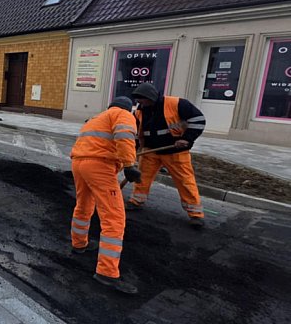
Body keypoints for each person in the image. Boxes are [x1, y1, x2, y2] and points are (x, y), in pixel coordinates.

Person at [70, 96, 141, 294]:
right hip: (99, 166)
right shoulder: (123, 114)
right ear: (128, 108)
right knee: (114, 217)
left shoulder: (96, 118)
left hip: (79, 163)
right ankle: (107, 272)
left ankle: (79, 244)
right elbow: (125, 136)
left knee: (83, 205)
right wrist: (129, 165)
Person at [126, 82, 207, 228]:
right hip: (150, 150)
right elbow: (136, 133)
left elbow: (198, 120)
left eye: (141, 99)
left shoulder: (177, 104)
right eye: (138, 99)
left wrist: (187, 139)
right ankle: (136, 201)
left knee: (185, 181)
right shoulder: (139, 111)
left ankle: (195, 214)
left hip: (174, 151)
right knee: (141, 177)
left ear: (150, 97)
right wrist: (134, 151)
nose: (139, 102)